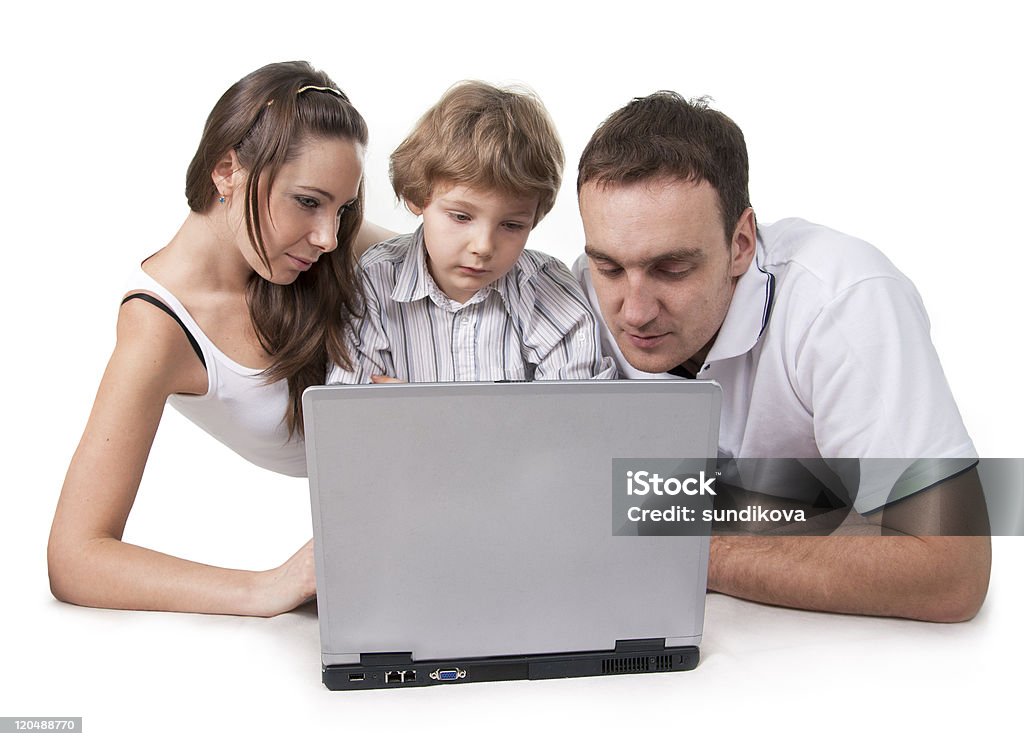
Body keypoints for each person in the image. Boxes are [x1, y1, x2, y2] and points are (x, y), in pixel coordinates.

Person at [573, 91, 991, 622]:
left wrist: (686, 546)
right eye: (609, 268)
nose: (633, 313)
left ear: (741, 243)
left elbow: (952, 568)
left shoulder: (846, 299)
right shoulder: (576, 298)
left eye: (672, 269)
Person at [48, 61, 390, 617]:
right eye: (308, 201)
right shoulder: (159, 328)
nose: (328, 237)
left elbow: (475, 271)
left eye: (342, 207)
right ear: (227, 170)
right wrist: (267, 587)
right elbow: (75, 557)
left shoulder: (321, 247)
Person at [329, 81, 614, 384]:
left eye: (512, 225)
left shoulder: (546, 289)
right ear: (417, 198)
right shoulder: (374, 281)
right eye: (461, 217)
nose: (483, 246)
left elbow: (576, 419)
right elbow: (355, 416)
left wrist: (419, 412)